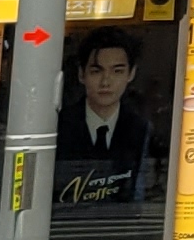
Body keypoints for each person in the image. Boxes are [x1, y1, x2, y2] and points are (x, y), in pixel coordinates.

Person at [55, 29, 152, 205]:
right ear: (81, 74)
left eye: (117, 71)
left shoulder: (140, 128)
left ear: (131, 74)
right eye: (96, 71)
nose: (106, 82)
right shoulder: (59, 125)